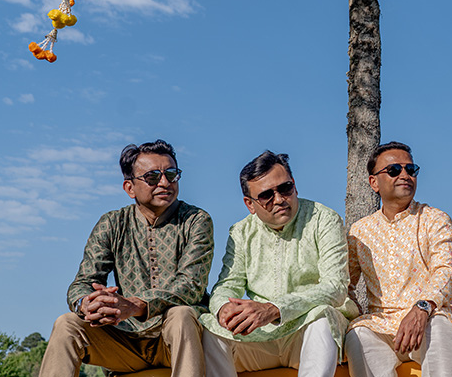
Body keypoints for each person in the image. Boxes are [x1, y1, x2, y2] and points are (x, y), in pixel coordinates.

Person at [39, 139, 213, 377]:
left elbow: (191, 285)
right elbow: (83, 282)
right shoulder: (112, 224)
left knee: (181, 314)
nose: (165, 183)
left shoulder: (196, 220)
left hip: (175, 340)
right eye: (153, 177)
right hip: (125, 341)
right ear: (129, 188)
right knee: (67, 324)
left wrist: (136, 305)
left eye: (171, 174)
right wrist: (87, 303)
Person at [201, 151, 357, 377]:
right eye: (266, 195)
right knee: (211, 328)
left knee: (322, 316)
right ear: (250, 204)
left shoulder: (324, 219)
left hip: (305, 332)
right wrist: (224, 309)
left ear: (295, 186)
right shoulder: (241, 232)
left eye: (285, 188)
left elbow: (336, 287)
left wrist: (274, 309)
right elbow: (227, 284)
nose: (279, 199)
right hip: (259, 335)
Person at [345, 141, 452, 377]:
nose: (404, 175)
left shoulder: (435, 219)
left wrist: (422, 308)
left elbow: (448, 270)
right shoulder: (360, 231)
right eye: (394, 170)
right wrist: (354, 310)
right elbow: (344, 284)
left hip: (431, 317)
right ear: (373, 182)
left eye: (410, 170)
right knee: (358, 334)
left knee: (441, 325)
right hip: (381, 324)